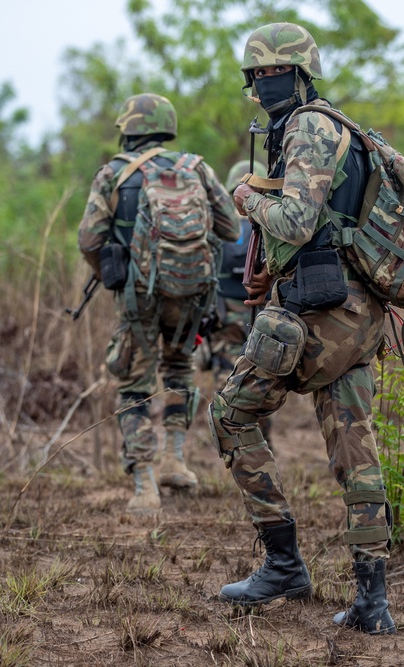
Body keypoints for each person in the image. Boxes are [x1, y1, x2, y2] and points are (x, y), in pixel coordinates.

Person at [208, 22, 396, 634]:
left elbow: (295, 217)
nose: (265, 84)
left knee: (231, 412)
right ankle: (373, 602)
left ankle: (283, 563)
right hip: (357, 311)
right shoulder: (331, 127)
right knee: (355, 450)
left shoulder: (311, 126)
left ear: (300, 72)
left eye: (273, 73)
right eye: (256, 75)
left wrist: (245, 197)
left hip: (323, 318)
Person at [78, 93, 239, 515]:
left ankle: (145, 487)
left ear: (127, 128)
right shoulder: (196, 168)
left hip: (139, 299)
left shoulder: (112, 175)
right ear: (167, 127)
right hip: (189, 295)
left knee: (134, 384)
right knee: (179, 369)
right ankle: (175, 460)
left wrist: (112, 275)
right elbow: (231, 226)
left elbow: (89, 240)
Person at [197, 159, 273, 445]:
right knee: (262, 380)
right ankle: (263, 440)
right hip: (262, 311)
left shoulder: (218, 227)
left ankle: (232, 440)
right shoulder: (272, 220)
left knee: (227, 378)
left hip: (225, 312)